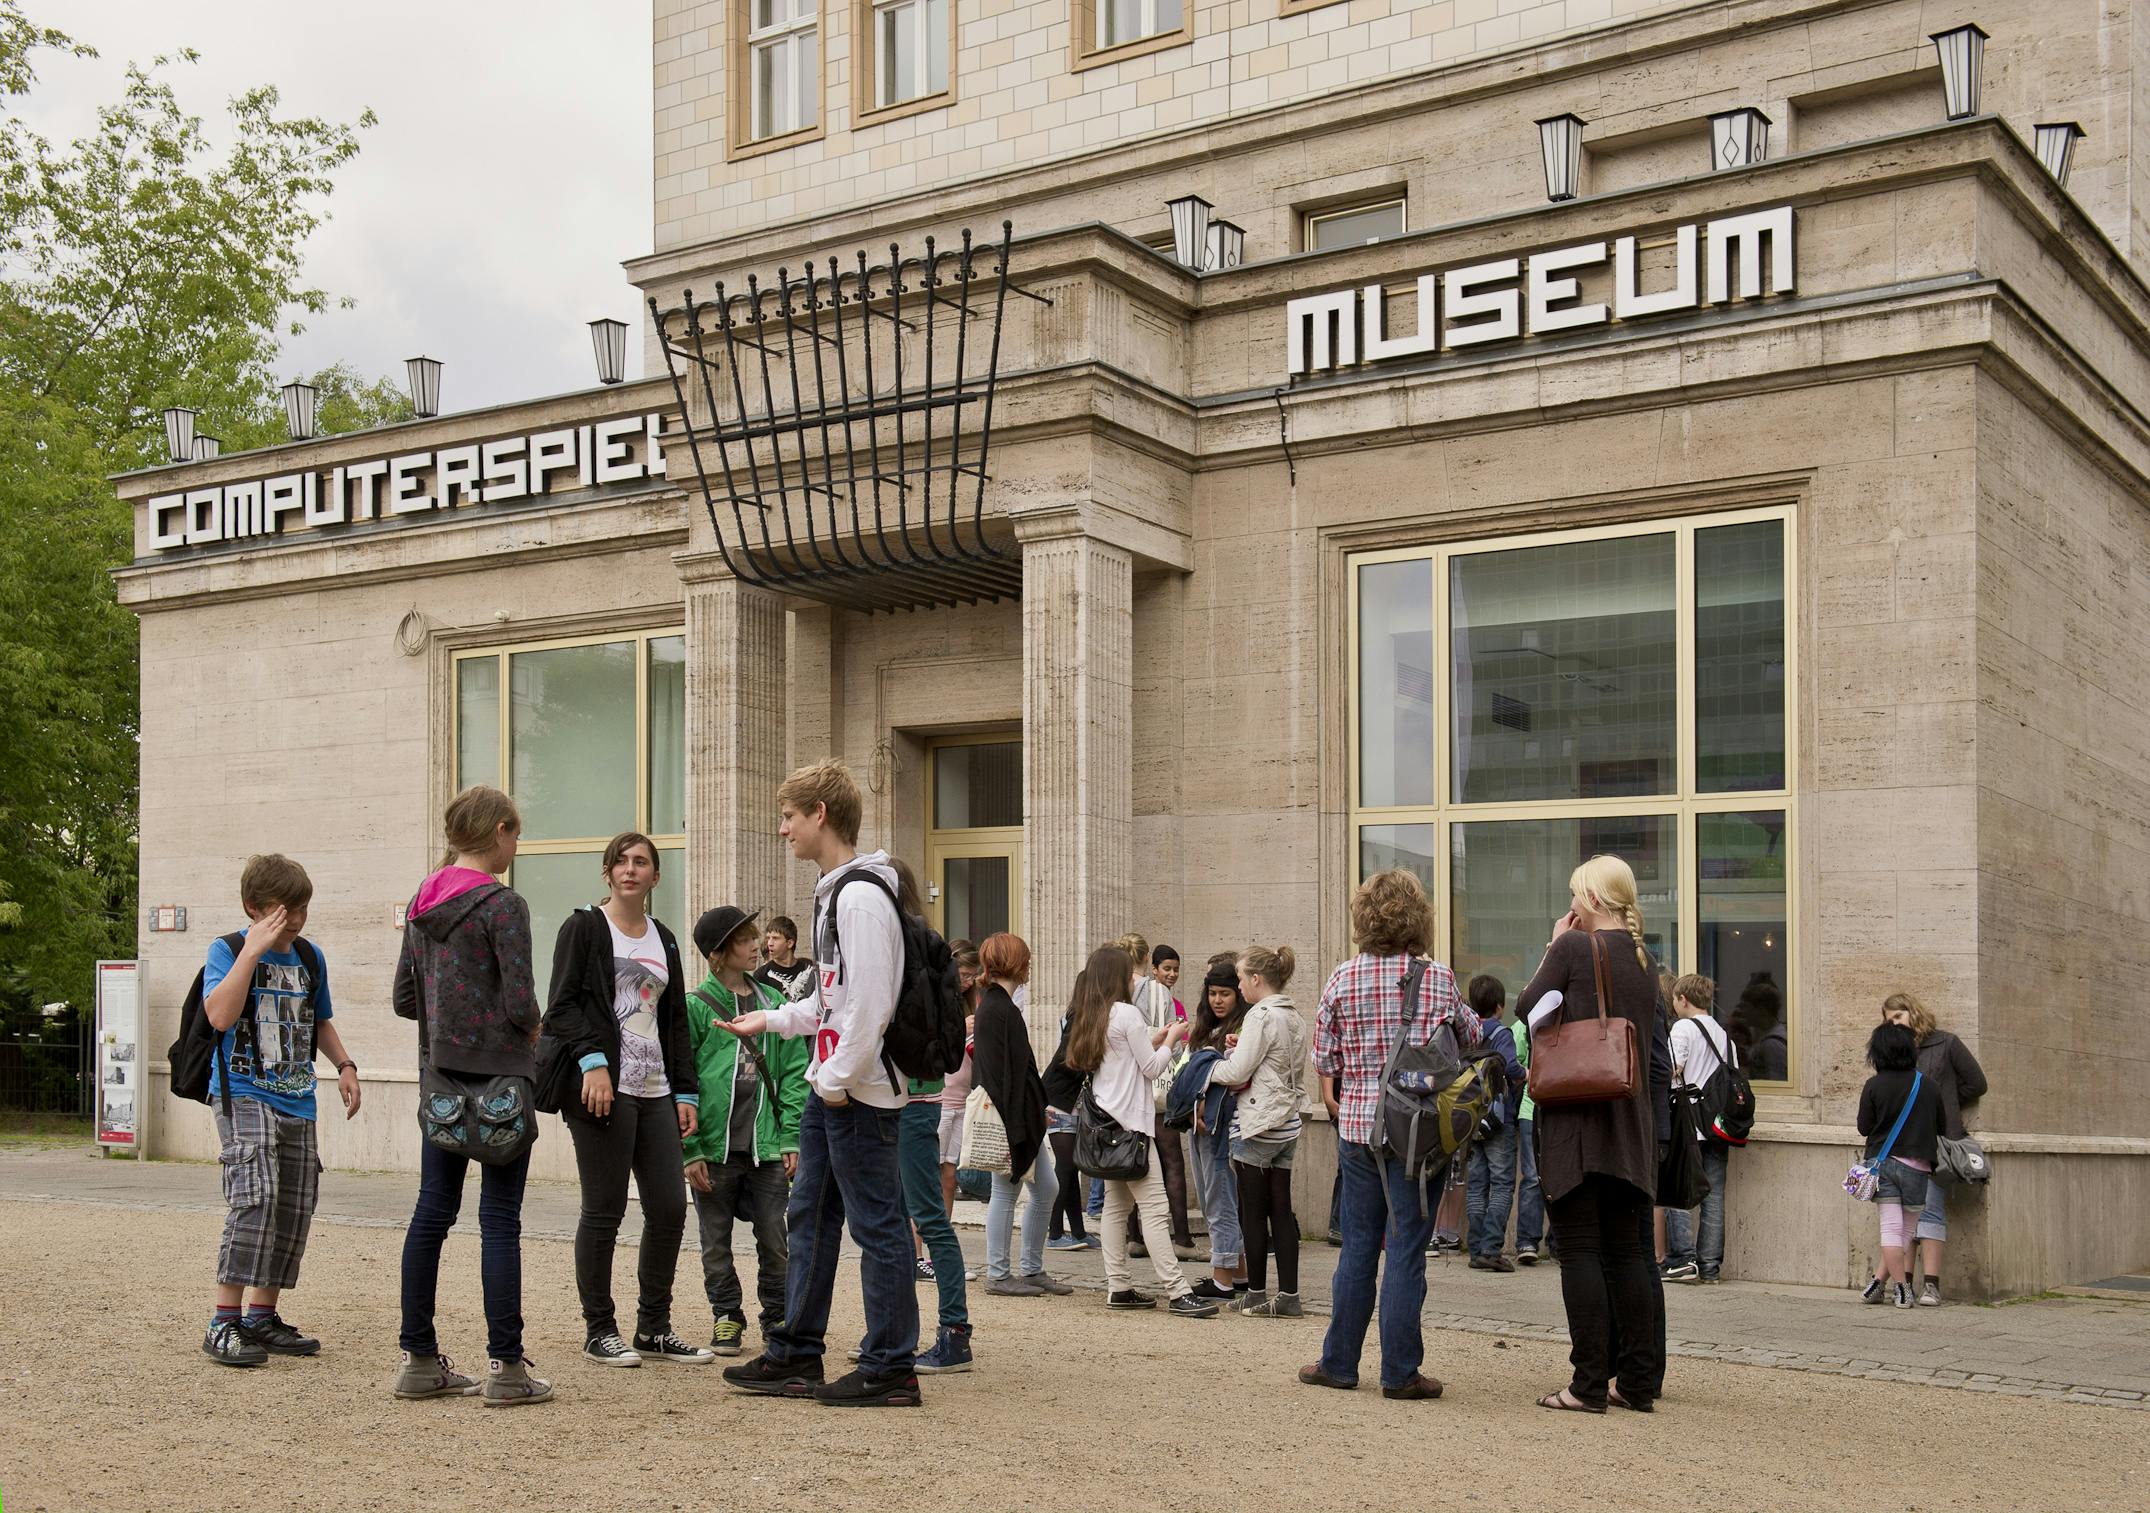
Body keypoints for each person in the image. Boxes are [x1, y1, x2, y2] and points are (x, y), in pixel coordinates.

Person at [716, 758, 922, 1407]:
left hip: (854, 1091)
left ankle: (890, 1367)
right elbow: (836, 1003)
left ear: (820, 815)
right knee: (810, 1217)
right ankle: (798, 1351)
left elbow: (869, 1005)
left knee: (877, 1224)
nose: (783, 829)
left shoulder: (859, 897)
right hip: (838, 1084)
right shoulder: (841, 890)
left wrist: (832, 1083)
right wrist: (774, 1019)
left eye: (789, 816)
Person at [392, 787, 549, 1405]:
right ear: (502, 830)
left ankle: (420, 1361)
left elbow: (405, 1000)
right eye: (516, 834)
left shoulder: (422, 902)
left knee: (432, 1213)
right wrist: (534, 1031)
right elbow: (519, 1001)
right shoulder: (503, 905)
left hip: (440, 1081)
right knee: (499, 1221)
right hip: (503, 1080)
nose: (518, 845)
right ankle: (506, 1370)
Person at [1300, 870, 1475, 1399]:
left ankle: (1339, 1363)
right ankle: (1400, 1373)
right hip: (1418, 1135)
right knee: (1406, 1250)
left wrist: (1343, 1090)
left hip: (1357, 1128)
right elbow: (1467, 1036)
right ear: (1417, 918)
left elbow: (1324, 1056)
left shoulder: (1342, 978)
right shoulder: (1438, 978)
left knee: (1357, 1247)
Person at [543, 833, 712, 1368]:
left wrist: (685, 1090)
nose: (630, 869)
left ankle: (654, 1328)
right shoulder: (586, 928)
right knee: (605, 1209)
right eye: (621, 861)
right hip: (603, 1092)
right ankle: (600, 1328)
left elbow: (675, 1021)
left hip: (656, 1089)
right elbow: (561, 1006)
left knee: (668, 1207)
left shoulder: (663, 939)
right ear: (607, 872)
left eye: (641, 862)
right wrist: (593, 1063)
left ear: (656, 877)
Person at [1518, 854, 1668, 1414]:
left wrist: (1554, 943)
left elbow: (1527, 1006)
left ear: (1595, 901)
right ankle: (1635, 1382)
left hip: (1577, 1120)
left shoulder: (1574, 946)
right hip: (1629, 1121)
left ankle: (1586, 1385)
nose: (1571, 906)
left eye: (1577, 895)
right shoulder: (1643, 957)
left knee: (1579, 1248)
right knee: (1629, 1252)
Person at [198, 854, 360, 1369]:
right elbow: (220, 1015)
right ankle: (223, 1321)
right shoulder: (227, 951)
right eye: (283, 909)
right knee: (255, 1196)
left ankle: (261, 1316)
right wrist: (252, 951)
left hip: (298, 1095)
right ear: (254, 908)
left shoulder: (311, 958)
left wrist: (346, 1065)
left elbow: (320, 1021)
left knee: (293, 1202)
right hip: (243, 1091)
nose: (295, 919)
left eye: (302, 908)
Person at [1045, 944, 1217, 1318]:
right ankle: (1177, 1290)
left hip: (1105, 1124)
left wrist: (1154, 1041)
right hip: (1132, 1127)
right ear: (1120, 978)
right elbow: (1153, 1069)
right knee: (1154, 1210)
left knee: (1115, 1208)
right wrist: (1171, 1040)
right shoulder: (1127, 1013)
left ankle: (1118, 1286)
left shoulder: (1092, 1015)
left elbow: (1123, 1057)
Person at [682, 905, 809, 1360]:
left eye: (756, 937)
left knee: (775, 1238)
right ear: (719, 954)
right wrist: (690, 1149)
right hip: (713, 1149)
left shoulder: (775, 1004)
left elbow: (795, 1072)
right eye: (744, 940)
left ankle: (776, 1316)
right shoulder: (696, 1005)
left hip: (768, 1147)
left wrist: (791, 1136)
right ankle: (726, 1315)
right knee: (714, 1241)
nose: (757, 945)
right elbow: (684, 1083)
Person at [1210, 945, 1310, 1317]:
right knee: (1281, 1209)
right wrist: (1241, 1047)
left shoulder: (1259, 1015)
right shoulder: (1292, 1014)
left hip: (1258, 1122)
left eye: (1239, 978)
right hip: (1288, 1122)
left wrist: (1207, 1067)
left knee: (1252, 1212)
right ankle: (1289, 1295)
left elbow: (1237, 1073)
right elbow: (1275, 1060)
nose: (1238, 984)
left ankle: (1255, 1291)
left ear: (1255, 979)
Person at [975, 932, 1067, 1305]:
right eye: (1025, 960)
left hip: (1020, 1115)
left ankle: (1029, 1267)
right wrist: (1020, 1121)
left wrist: (1034, 1108)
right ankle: (999, 1273)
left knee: (1046, 1188)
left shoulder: (997, 1006)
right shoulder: (999, 1009)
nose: (1029, 966)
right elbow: (1004, 1076)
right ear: (1015, 962)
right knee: (1007, 1191)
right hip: (1010, 1117)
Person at [1882, 991, 1987, 1306]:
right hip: (1903, 1142)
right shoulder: (1894, 1052)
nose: (1894, 1024)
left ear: (1913, 1013)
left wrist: (1946, 1105)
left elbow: (1976, 1083)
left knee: (1930, 1211)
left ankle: (1932, 1285)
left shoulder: (1946, 1043)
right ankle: (1907, 1285)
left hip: (1939, 1141)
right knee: (1905, 1217)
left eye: (1898, 1016)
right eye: (1888, 1020)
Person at [1856, 1021, 1945, 1310]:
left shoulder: (1873, 1085)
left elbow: (1863, 1127)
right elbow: (1941, 1126)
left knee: (1890, 1231)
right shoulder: (1928, 1086)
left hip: (1882, 1165)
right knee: (1904, 1233)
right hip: (1917, 1167)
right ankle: (1888, 1286)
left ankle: (1899, 1288)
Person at [1123, 933, 1196, 1261]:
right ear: (1148, 964)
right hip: (1158, 1087)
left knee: (1129, 1161)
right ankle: (1181, 1236)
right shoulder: (1157, 993)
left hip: (1127, 1092)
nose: (1171, 974)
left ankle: (1134, 1237)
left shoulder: (1116, 994)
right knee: (1172, 1162)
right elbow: (1173, 1041)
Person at [1185, 960, 1250, 1302]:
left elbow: (1233, 1077)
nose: (1217, 1000)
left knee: (1219, 1197)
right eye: (1212, 993)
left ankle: (1222, 1277)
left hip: (1221, 1125)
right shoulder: (1205, 1029)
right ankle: (1238, 1273)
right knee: (1215, 1194)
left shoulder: (1242, 1029)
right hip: (1200, 1123)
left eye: (1225, 993)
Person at [1662, 974, 1732, 1285]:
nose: (1675, 1005)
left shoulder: (1683, 1028)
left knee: (1680, 1188)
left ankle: (1682, 1257)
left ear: (1684, 1000)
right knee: (1714, 1197)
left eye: (1676, 1000)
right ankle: (1710, 1267)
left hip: (1688, 1123)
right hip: (1717, 1126)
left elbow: (1671, 1069)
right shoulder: (1723, 1034)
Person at [1464, 974, 1525, 1274]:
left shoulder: (1466, 1033)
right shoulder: (1502, 1034)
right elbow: (1511, 1067)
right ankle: (1491, 1248)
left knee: (1477, 1183)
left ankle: (1475, 1248)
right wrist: (1526, 1073)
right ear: (1500, 1007)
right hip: (1498, 1118)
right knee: (1501, 1183)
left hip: (1470, 1117)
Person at [753, 915, 818, 1006]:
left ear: (790, 943)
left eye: (775, 938)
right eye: (768, 938)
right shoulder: (761, 974)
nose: (769, 943)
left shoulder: (810, 968)